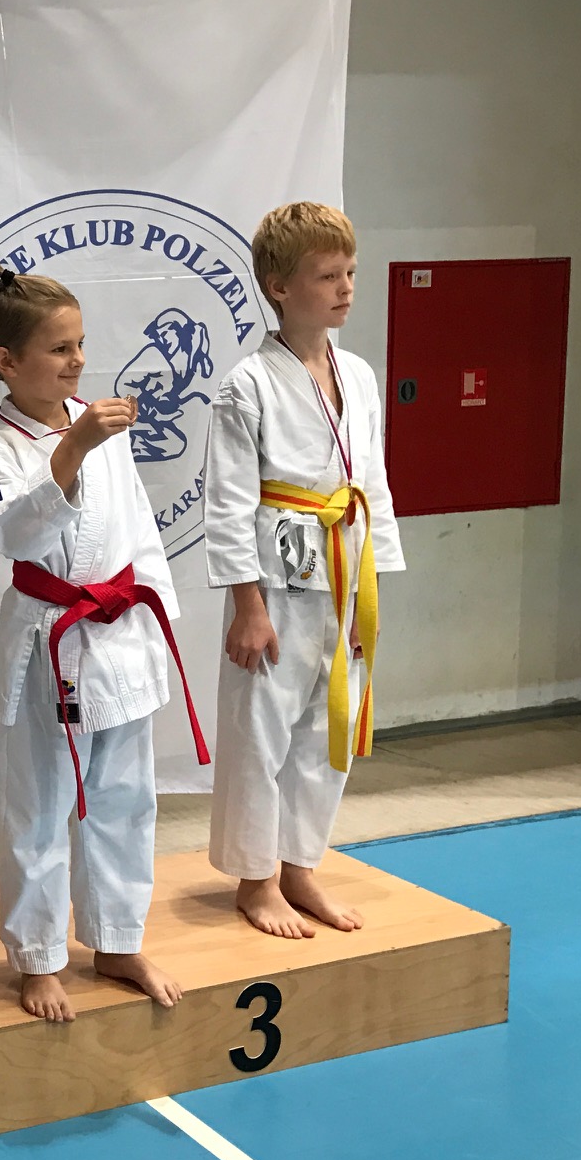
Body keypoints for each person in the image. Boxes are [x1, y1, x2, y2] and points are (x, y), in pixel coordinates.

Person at [0, 261, 206, 1016]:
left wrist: (155, 620)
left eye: (79, 344)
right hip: (48, 642)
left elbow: (140, 530)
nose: (77, 361)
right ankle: (38, 957)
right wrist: (72, 450)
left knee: (125, 798)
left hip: (119, 627)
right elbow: (15, 536)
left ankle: (118, 939)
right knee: (40, 805)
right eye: (60, 348)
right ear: (8, 362)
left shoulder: (102, 429)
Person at [203, 202, 404, 938]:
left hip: (346, 572)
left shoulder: (359, 374)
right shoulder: (247, 383)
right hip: (277, 575)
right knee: (261, 728)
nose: (345, 287)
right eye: (327, 276)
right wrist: (247, 607)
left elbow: (372, 479)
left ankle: (299, 867)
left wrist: (376, 575)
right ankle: (255, 881)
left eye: (349, 272)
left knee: (329, 724)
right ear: (279, 286)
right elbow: (228, 504)